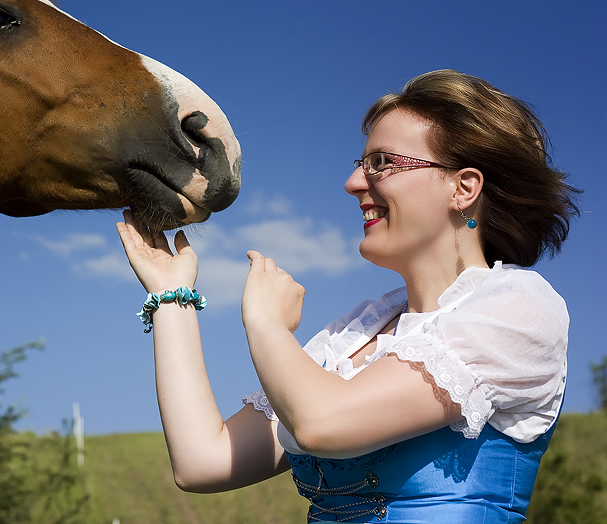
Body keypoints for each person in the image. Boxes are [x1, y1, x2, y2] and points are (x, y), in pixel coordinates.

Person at [116, 69, 580, 522]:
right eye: (361, 164)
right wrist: (172, 297)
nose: (354, 182)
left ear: (464, 187)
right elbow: (203, 461)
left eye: (381, 162)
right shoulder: (353, 335)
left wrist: (267, 325)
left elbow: (321, 425)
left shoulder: (517, 308)